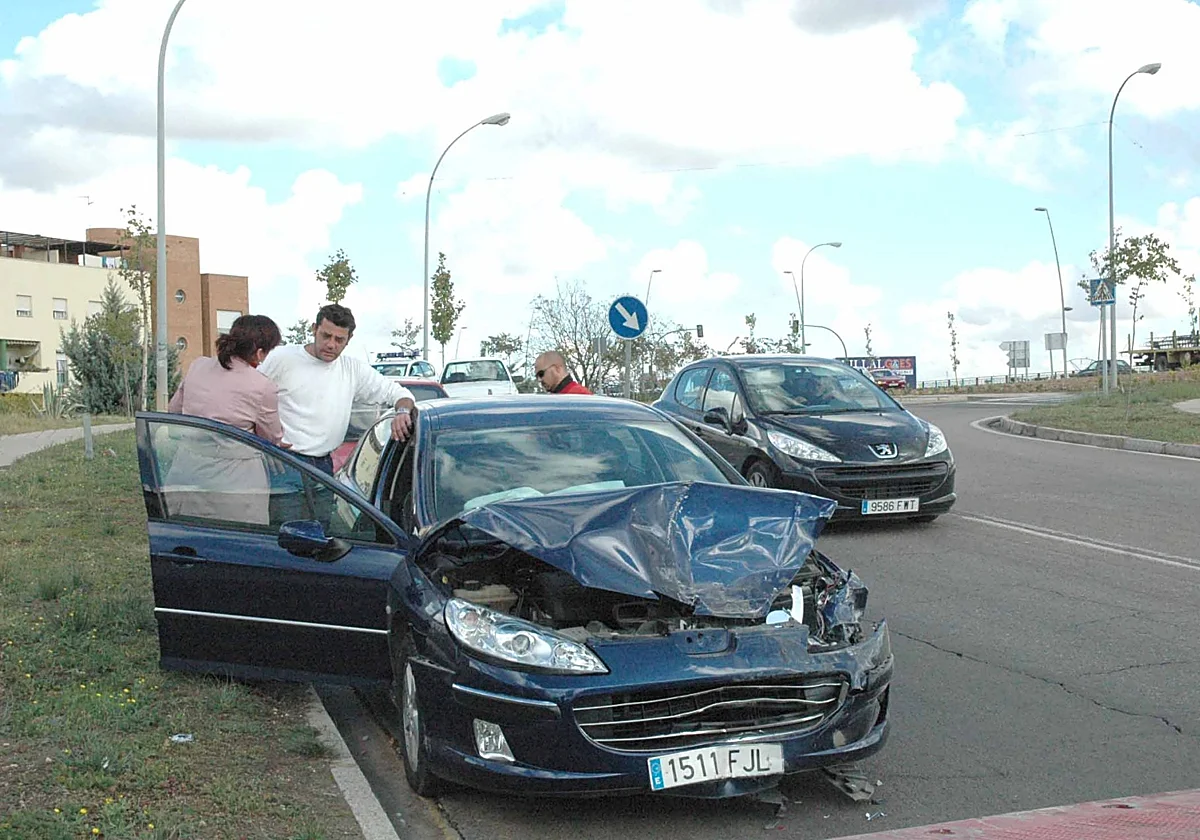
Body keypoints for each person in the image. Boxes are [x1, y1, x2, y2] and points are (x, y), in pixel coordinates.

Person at [259, 303, 416, 475]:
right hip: (282, 462)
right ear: (314, 329)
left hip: (324, 467)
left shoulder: (352, 370)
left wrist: (402, 411)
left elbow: (398, 393)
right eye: (326, 336)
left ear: (349, 340)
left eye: (339, 340)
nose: (331, 344)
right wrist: (261, 445)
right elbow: (248, 399)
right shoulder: (281, 358)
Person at [164, 314, 285, 526]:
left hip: (186, 471)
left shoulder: (198, 366)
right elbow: (271, 437)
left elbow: (174, 411)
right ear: (259, 353)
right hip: (234, 483)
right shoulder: (263, 386)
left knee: (185, 537)